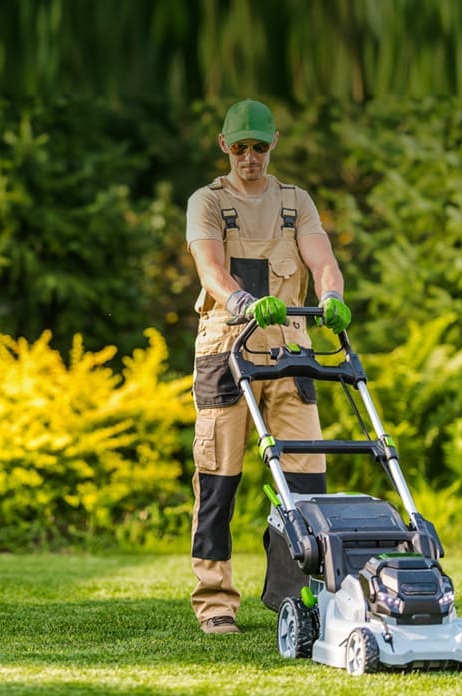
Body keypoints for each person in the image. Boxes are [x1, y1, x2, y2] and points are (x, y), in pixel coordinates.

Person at [184, 98, 352, 634]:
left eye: (258, 146)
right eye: (240, 147)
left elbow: (322, 259)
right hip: (226, 350)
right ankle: (215, 603)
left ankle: (292, 596)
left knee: (306, 482)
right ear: (224, 146)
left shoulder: (295, 202)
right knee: (219, 481)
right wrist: (242, 303)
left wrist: (331, 296)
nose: (249, 157)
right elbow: (211, 269)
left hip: (290, 350)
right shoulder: (206, 202)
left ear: (273, 143)